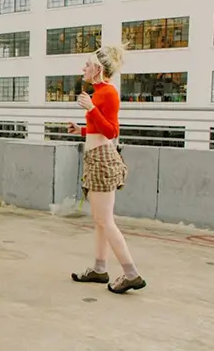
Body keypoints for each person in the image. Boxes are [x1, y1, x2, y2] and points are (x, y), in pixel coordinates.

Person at [67, 44, 146, 294]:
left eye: (88, 65)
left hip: (102, 158)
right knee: (100, 220)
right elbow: (97, 130)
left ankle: (131, 273)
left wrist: (90, 108)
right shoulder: (99, 92)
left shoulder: (108, 93)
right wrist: (79, 130)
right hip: (95, 156)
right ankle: (100, 269)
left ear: (98, 69)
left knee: (105, 220)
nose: (84, 68)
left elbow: (112, 131)